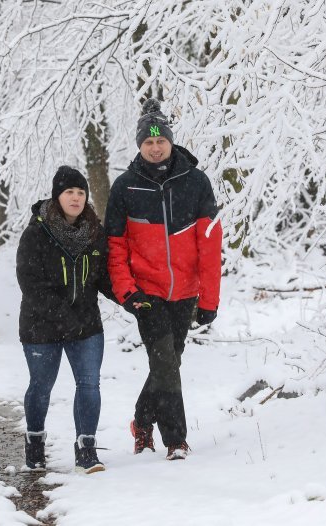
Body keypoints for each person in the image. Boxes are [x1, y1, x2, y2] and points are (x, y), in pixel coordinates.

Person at [104, 98, 222, 461]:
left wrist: (209, 300)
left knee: (169, 361)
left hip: (184, 292)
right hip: (146, 293)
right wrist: (127, 291)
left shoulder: (196, 182)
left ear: (170, 141)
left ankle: (141, 421)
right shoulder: (125, 187)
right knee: (166, 363)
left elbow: (210, 245)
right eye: (148, 142)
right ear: (139, 145)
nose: (155, 148)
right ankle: (176, 440)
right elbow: (115, 246)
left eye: (161, 141)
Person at [16, 166, 115, 474]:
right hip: (40, 326)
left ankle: (86, 449)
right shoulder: (37, 233)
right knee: (41, 386)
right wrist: (64, 317)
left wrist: (132, 298)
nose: (76, 197)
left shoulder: (95, 233)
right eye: (69, 192)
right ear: (57, 196)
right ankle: (35, 441)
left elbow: (105, 278)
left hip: (86, 325)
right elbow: (31, 283)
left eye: (81, 192)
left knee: (89, 384)